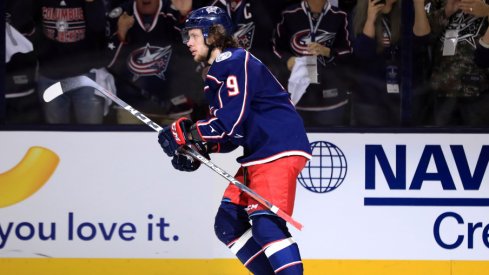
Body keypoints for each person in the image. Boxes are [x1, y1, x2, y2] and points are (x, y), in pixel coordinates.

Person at [157, 6, 312, 274]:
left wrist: (189, 133)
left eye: (193, 35)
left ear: (213, 35)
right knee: (228, 222)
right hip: (261, 150)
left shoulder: (232, 61)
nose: (188, 43)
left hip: (277, 149)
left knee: (266, 225)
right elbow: (231, 135)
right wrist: (198, 147)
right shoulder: (221, 69)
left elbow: (229, 123)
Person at [106, 0, 201, 124]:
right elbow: (108, 64)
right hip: (131, 104)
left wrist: (184, 17)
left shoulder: (173, 11)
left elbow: (194, 56)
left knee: (181, 140)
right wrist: (121, 34)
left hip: (174, 104)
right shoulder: (119, 15)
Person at [273, 0, 353, 127]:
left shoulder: (341, 16)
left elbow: (350, 52)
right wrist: (287, 59)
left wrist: (328, 51)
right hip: (296, 100)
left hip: (331, 99)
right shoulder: (289, 14)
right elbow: (274, 48)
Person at [34, 0, 108, 124]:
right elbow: (32, 25)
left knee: (91, 136)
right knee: (55, 139)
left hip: (85, 76)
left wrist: (92, 3)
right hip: (50, 75)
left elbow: (99, 27)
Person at [427, 0, 489, 126]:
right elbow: (422, 36)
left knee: (476, 142)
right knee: (441, 140)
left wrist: (487, 11)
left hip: (479, 89)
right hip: (443, 86)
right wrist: (447, 11)